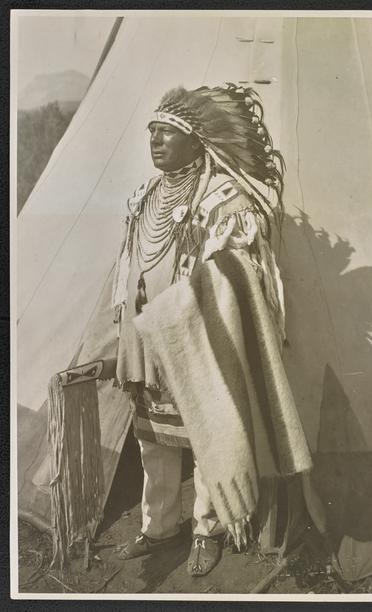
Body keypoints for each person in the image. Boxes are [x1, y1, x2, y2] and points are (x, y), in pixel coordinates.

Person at [112, 84, 312, 576]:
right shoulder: (144, 196)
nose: (155, 141)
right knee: (153, 438)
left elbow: (236, 273)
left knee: (205, 433)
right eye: (152, 132)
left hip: (194, 338)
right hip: (146, 338)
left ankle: (209, 528)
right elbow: (130, 262)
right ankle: (158, 526)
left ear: (197, 140)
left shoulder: (222, 199)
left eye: (168, 133)